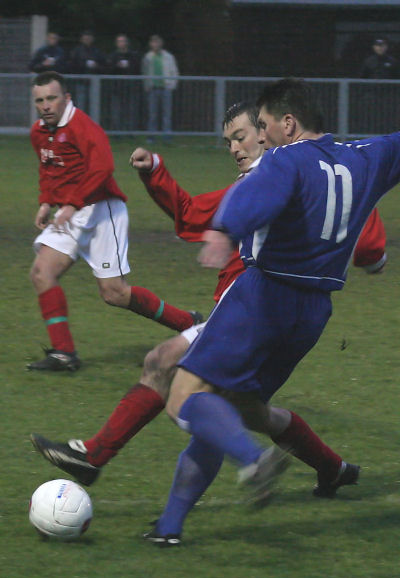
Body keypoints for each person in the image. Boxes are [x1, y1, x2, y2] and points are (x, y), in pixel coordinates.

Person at [30, 103, 357, 521]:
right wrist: (155, 171)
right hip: (267, 315)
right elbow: (192, 217)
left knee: (165, 363)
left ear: (265, 132)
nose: (235, 148)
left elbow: (342, 222)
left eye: (241, 136)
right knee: (250, 411)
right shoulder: (258, 183)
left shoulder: (280, 181)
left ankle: (103, 462)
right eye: (228, 142)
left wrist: (366, 247)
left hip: (252, 312)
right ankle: (333, 468)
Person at [140, 77, 400, 546]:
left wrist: (226, 228)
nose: (260, 136)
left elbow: (259, 195)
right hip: (313, 314)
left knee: (182, 393)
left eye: (262, 126)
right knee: (228, 407)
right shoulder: (366, 156)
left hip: (262, 295)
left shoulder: (285, 158)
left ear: (287, 123)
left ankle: (254, 460)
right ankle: (168, 528)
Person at [27, 71, 201, 372]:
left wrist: (69, 204)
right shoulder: (38, 132)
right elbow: (49, 170)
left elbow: (103, 167)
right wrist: (46, 201)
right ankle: (64, 354)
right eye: (40, 100)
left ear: (66, 98)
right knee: (41, 273)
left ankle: (189, 323)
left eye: (52, 98)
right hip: (70, 212)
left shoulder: (83, 126)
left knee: (114, 293)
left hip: (102, 209)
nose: (46, 105)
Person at [141, 35, 179, 142]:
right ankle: (151, 137)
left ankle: (167, 137)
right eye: (153, 43)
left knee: (166, 114)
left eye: (157, 42)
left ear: (161, 44)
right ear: (151, 44)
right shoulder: (148, 57)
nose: (155, 45)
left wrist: (172, 85)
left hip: (166, 88)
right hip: (153, 88)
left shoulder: (168, 56)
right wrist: (146, 85)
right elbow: (145, 72)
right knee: (152, 114)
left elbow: (174, 71)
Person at [107, 34, 142, 131]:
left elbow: (137, 69)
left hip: (130, 87)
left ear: (127, 43)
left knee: (130, 111)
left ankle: (129, 131)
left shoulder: (133, 55)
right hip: (117, 88)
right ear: (116, 44)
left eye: (123, 41)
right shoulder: (113, 56)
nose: (122, 43)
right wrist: (116, 66)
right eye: (119, 41)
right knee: (117, 111)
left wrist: (129, 66)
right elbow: (108, 70)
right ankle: (117, 131)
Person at [69, 31, 107, 110]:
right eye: (85, 38)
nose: (87, 40)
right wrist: (83, 65)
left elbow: (104, 66)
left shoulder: (97, 51)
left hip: (94, 82)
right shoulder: (77, 51)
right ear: (82, 39)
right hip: (81, 81)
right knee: (81, 104)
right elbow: (72, 65)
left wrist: (96, 66)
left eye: (89, 38)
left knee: (94, 104)